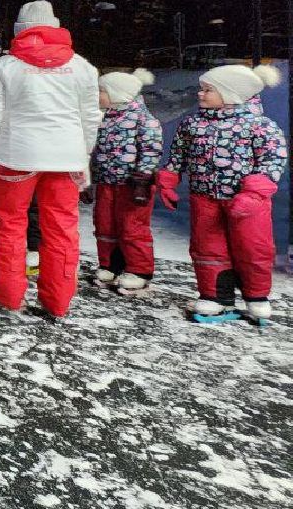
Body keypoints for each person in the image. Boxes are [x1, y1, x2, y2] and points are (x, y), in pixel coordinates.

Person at [0, 0, 100, 317]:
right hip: (67, 159)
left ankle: (7, 295)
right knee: (62, 230)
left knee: (10, 226)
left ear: (19, 31)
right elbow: (90, 119)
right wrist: (83, 158)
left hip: (16, 156)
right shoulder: (82, 67)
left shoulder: (5, 67)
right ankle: (58, 301)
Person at [158, 64, 287, 324]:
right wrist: (169, 181)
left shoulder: (261, 127)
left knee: (253, 248)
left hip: (248, 203)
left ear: (232, 94)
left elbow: (273, 161)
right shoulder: (192, 124)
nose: (200, 94)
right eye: (201, 89)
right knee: (207, 248)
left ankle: (256, 296)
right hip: (204, 197)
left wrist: (253, 193)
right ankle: (216, 296)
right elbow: (178, 155)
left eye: (208, 90)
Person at [90, 68, 163, 294]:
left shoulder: (144, 120)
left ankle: (139, 269)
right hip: (106, 182)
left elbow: (151, 149)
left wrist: (142, 177)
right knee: (105, 224)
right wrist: (89, 179)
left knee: (132, 226)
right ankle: (110, 265)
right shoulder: (104, 118)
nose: (97, 95)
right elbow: (95, 151)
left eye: (101, 91)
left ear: (118, 93)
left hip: (132, 186)